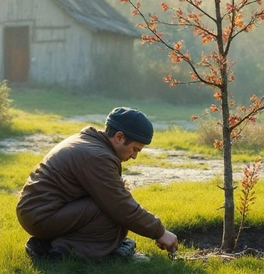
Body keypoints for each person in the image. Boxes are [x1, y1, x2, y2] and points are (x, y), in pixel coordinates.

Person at [16, 106, 178, 260]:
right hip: (41, 217)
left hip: (39, 212)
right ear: (119, 137)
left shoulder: (90, 142)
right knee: (111, 214)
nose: (134, 156)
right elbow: (120, 205)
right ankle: (61, 250)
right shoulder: (97, 157)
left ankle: (47, 244)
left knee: (114, 202)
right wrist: (159, 232)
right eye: (135, 149)